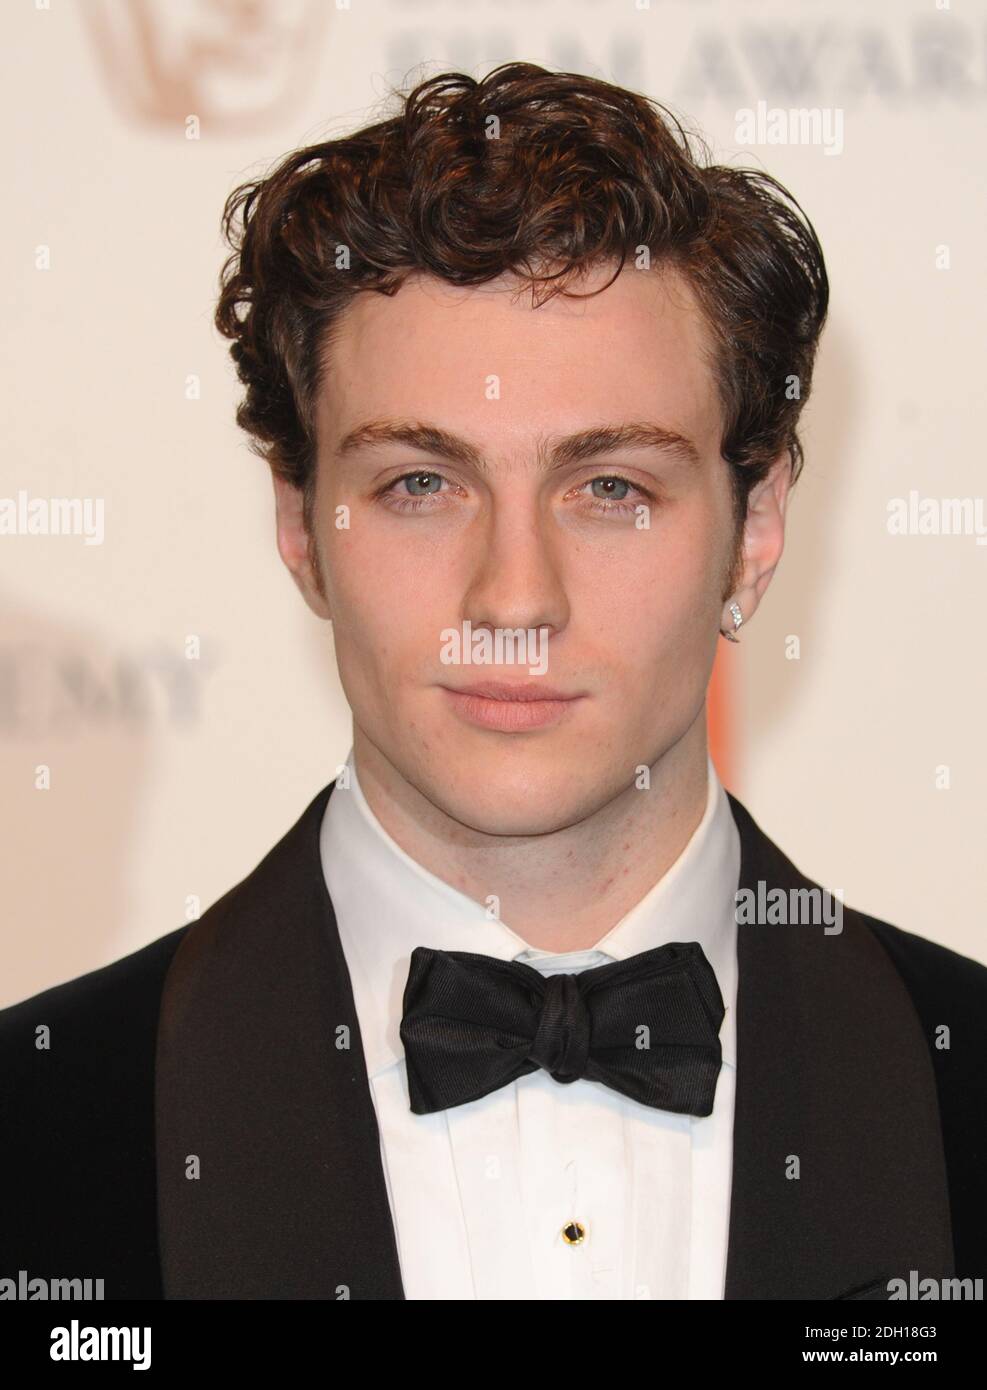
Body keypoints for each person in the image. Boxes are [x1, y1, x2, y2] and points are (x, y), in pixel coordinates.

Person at [2, 62, 984, 1303]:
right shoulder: (34, 1129)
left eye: (612, 486)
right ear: (302, 526)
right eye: (422, 483)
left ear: (757, 526)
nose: (515, 600)